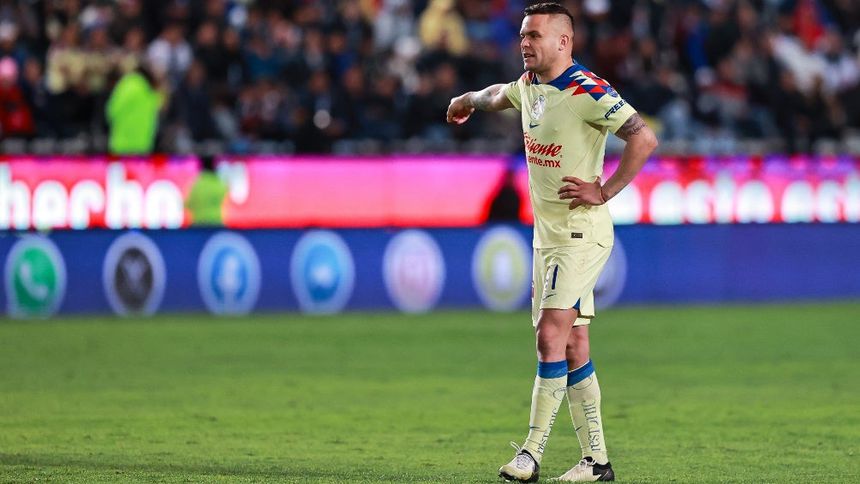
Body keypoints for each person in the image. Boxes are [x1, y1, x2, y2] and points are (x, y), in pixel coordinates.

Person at [446, 3, 657, 482]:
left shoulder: (588, 89)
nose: (525, 43)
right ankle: (596, 461)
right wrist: (466, 99)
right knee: (575, 344)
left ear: (564, 42)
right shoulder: (529, 86)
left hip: (581, 235)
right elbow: (497, 94)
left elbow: (643, 138)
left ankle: (530, 453)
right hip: (548, 238)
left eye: (535, 35)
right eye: (523, 35)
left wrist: (604, 190)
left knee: (549, 335)